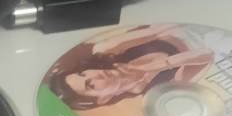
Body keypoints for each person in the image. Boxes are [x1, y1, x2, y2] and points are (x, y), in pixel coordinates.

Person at [47, 24, 214, 110]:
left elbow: (159, 28)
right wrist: (155, 67)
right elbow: (207, 55)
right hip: (214, 42)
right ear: (103, 98)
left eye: (83, 74)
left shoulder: (107, 50)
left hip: (186, 23)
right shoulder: (157, 92)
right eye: (90, 85)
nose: (94, 75)